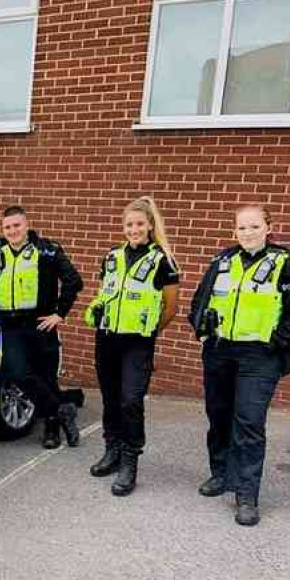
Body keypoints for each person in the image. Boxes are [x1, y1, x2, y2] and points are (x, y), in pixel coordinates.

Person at [188, 204, 290, 527]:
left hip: (260, 356)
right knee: (218, 414)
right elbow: (200, 300)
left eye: (254, 226)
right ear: (234, 231)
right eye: (242, 228)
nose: (247, 233)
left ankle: (246, 493)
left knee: (249, 421)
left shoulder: (286, 265)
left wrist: (277, 343)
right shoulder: (222, 261)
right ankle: (220, 473)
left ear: (268, 227)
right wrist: (202, 331)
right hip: (219, 351)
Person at [0, 205, 84, 449]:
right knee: (18, 372)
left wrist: (59, 313)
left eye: (17, 225)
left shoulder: (47, 250)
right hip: (11, 325)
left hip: (40, 323)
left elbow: (74, 281)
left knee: (46, 376)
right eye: (7, 227)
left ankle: (52, 428)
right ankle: (62, 410)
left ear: (26, 225)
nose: (12, 231)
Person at [84, 196, 180, 496]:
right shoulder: (111, 256)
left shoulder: (163, 260)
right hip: (107, 339)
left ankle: (129, 461)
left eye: (139, 224)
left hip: (137, 343)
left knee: (131, 401)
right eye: (129, 224)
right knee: (111, 399)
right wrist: (96, 310)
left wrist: (148, 333)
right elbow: (105, 294)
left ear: (150, 225)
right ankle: (111, 450)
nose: (134, 229)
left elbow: (171, 307)